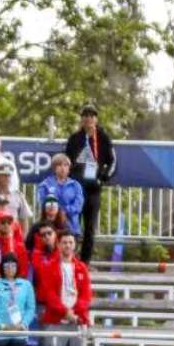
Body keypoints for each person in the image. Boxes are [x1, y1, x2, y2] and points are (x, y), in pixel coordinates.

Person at [35, 228, 90, 346]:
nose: (67, 245)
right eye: (64, 242)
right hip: (55, 319)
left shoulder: (81, 268)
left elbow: (86, 295)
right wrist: (65, 312)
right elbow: (49, 294)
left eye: (70, 242)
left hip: (77, 320)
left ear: (75, 246)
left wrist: (76, 312)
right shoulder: (49, 267)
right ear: (58, 245)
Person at [64, 104, 115, 264]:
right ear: (82, 119)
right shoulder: (74, 139)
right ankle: (70, 259)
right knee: (73, 226)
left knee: (90, 229)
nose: (88, 118)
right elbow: (67, 161)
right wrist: (71, 180)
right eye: (85, 116)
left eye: (92, 116)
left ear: (96, 119)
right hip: (77, 190)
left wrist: (102, 178)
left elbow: (112, 161)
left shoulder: (103, 138)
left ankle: (84, 263)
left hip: (93, 190)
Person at [37, 151, 84, 235]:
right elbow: (43, 203)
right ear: (54, 168)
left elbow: (78, 206)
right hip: (50, 228)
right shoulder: (45, 185)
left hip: (71, 227)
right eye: (59, 165)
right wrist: (58, 212)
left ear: (69, 168)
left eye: (66, 165)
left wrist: (64, 211)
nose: (63, 168)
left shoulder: (76, 185)